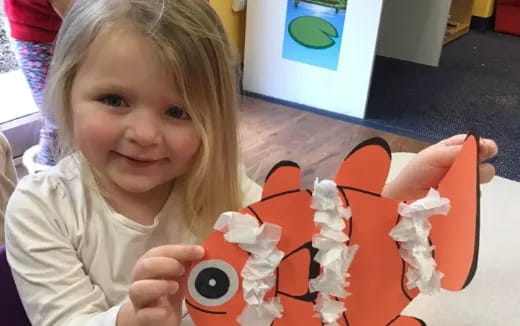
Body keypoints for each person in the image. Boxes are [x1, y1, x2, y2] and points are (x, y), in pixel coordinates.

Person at [3, 0, 498, 326]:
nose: (144, 134)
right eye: (114, 99)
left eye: (178, 112)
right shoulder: (40, 209)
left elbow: (311, 250)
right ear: (64, 92)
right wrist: (128, 317)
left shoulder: (224, 188)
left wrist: (397, 201)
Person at [3, 0, 72, 172]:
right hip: (37, 41)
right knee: (58, 122)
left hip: (61, 29)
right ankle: (44, 184)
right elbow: (77, 16)